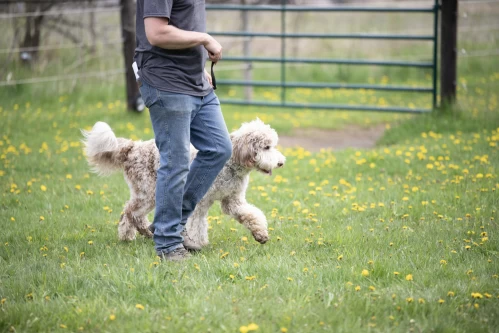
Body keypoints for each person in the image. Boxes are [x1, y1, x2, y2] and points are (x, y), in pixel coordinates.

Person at [134, 0, 232, 261]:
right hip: (166, 81)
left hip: (196, 81)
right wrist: (204, 39)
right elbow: (156, 33)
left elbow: (183, 21)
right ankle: (167, 244)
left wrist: (199, 64)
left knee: (219, 148)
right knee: (176, 161)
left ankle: (170, 224)